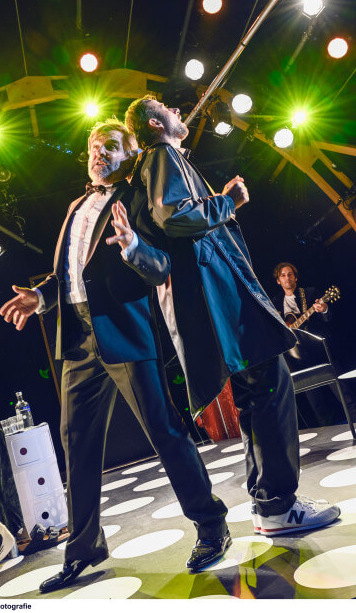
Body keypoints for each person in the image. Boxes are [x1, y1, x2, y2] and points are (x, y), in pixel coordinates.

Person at [0, 118, 234, 591]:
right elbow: (69, 274)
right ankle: (83, 547)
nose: (98, 152)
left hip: (124, 330)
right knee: (77, 442)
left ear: (131, 155)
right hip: (77, 338)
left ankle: (212, 526)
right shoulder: (76, 206)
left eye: (110, 145)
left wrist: (132, 245)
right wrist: (41, 298)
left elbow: (161, 266)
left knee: (164, 430)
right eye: (93, 145)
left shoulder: (139, 198)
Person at [124, 95, 340, 546]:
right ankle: (278, 505)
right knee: (270, 387)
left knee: (256, 395)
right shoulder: (161, 154)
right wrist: (227, 202)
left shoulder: (156, 162)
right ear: (154, 123)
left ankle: (271, 506)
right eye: (166, 108)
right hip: (220, 298)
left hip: (213, 299)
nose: (177, 111)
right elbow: (176, 216)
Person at [272, 262, 352, 426]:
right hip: (298, 359)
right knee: (316, 402)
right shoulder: (275, 304)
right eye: (283, 275)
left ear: (295, 277)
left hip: (320, 350)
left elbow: (329, 319)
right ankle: (326, 433)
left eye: (290, 274)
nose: (287, 278)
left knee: (342, 392)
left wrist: (324, 309)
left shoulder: (309, 293)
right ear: (278, 280)